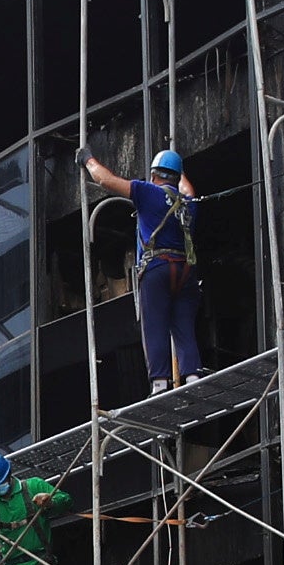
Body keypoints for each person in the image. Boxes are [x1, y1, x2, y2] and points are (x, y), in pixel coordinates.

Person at [84, 146, 203, 392]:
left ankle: (160, 383)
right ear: (177, 178)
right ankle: (192, 376)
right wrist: (180, 170)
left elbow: (104, 179)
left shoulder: (147, 192)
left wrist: (87, 159)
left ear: (153, 176)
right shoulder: (188, 205)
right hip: (185, 271)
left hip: (157, 269)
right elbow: (188, 190)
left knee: (155, 325)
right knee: (183, 326)